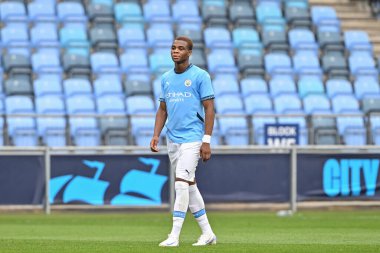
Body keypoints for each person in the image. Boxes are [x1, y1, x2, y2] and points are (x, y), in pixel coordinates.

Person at [150, 36, 216, 247]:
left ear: (189, 53)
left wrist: (206, 140)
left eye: (180, 48)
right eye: (173, 48)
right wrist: (155, 135)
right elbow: (162, 109)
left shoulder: (200, 76)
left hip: (193, 138)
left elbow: (209, 108)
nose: (175, 51)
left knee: (180, 184)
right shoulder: (166, 78)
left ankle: (174, 236)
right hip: (173, 139)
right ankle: (208, 234)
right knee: (189, 186)